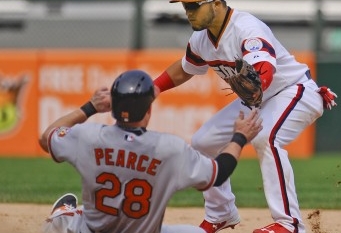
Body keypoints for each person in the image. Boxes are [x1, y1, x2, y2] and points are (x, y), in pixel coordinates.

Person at [152, 1, 338, 233]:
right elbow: (185, 68)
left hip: (294, 90)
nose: (188, 12)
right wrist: (154, 88)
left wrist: (256, 88)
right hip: (257, 100)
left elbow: (264, 72)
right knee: (203, 141)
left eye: (193, 5)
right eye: (185, 6)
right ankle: (221, 213)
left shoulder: (247, 29)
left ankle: (289, 224)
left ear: (217, 4)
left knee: (266, 138)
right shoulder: (201, 40)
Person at [38, 69, 262, 233]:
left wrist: (90, 107)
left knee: (69, 222)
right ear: (149, 110)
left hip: (93, 230)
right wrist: (239, 137)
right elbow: (220, 172)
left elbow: (46, 137)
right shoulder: (170, 149)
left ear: (113, 106)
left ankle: (65, 214)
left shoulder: (87, 136)